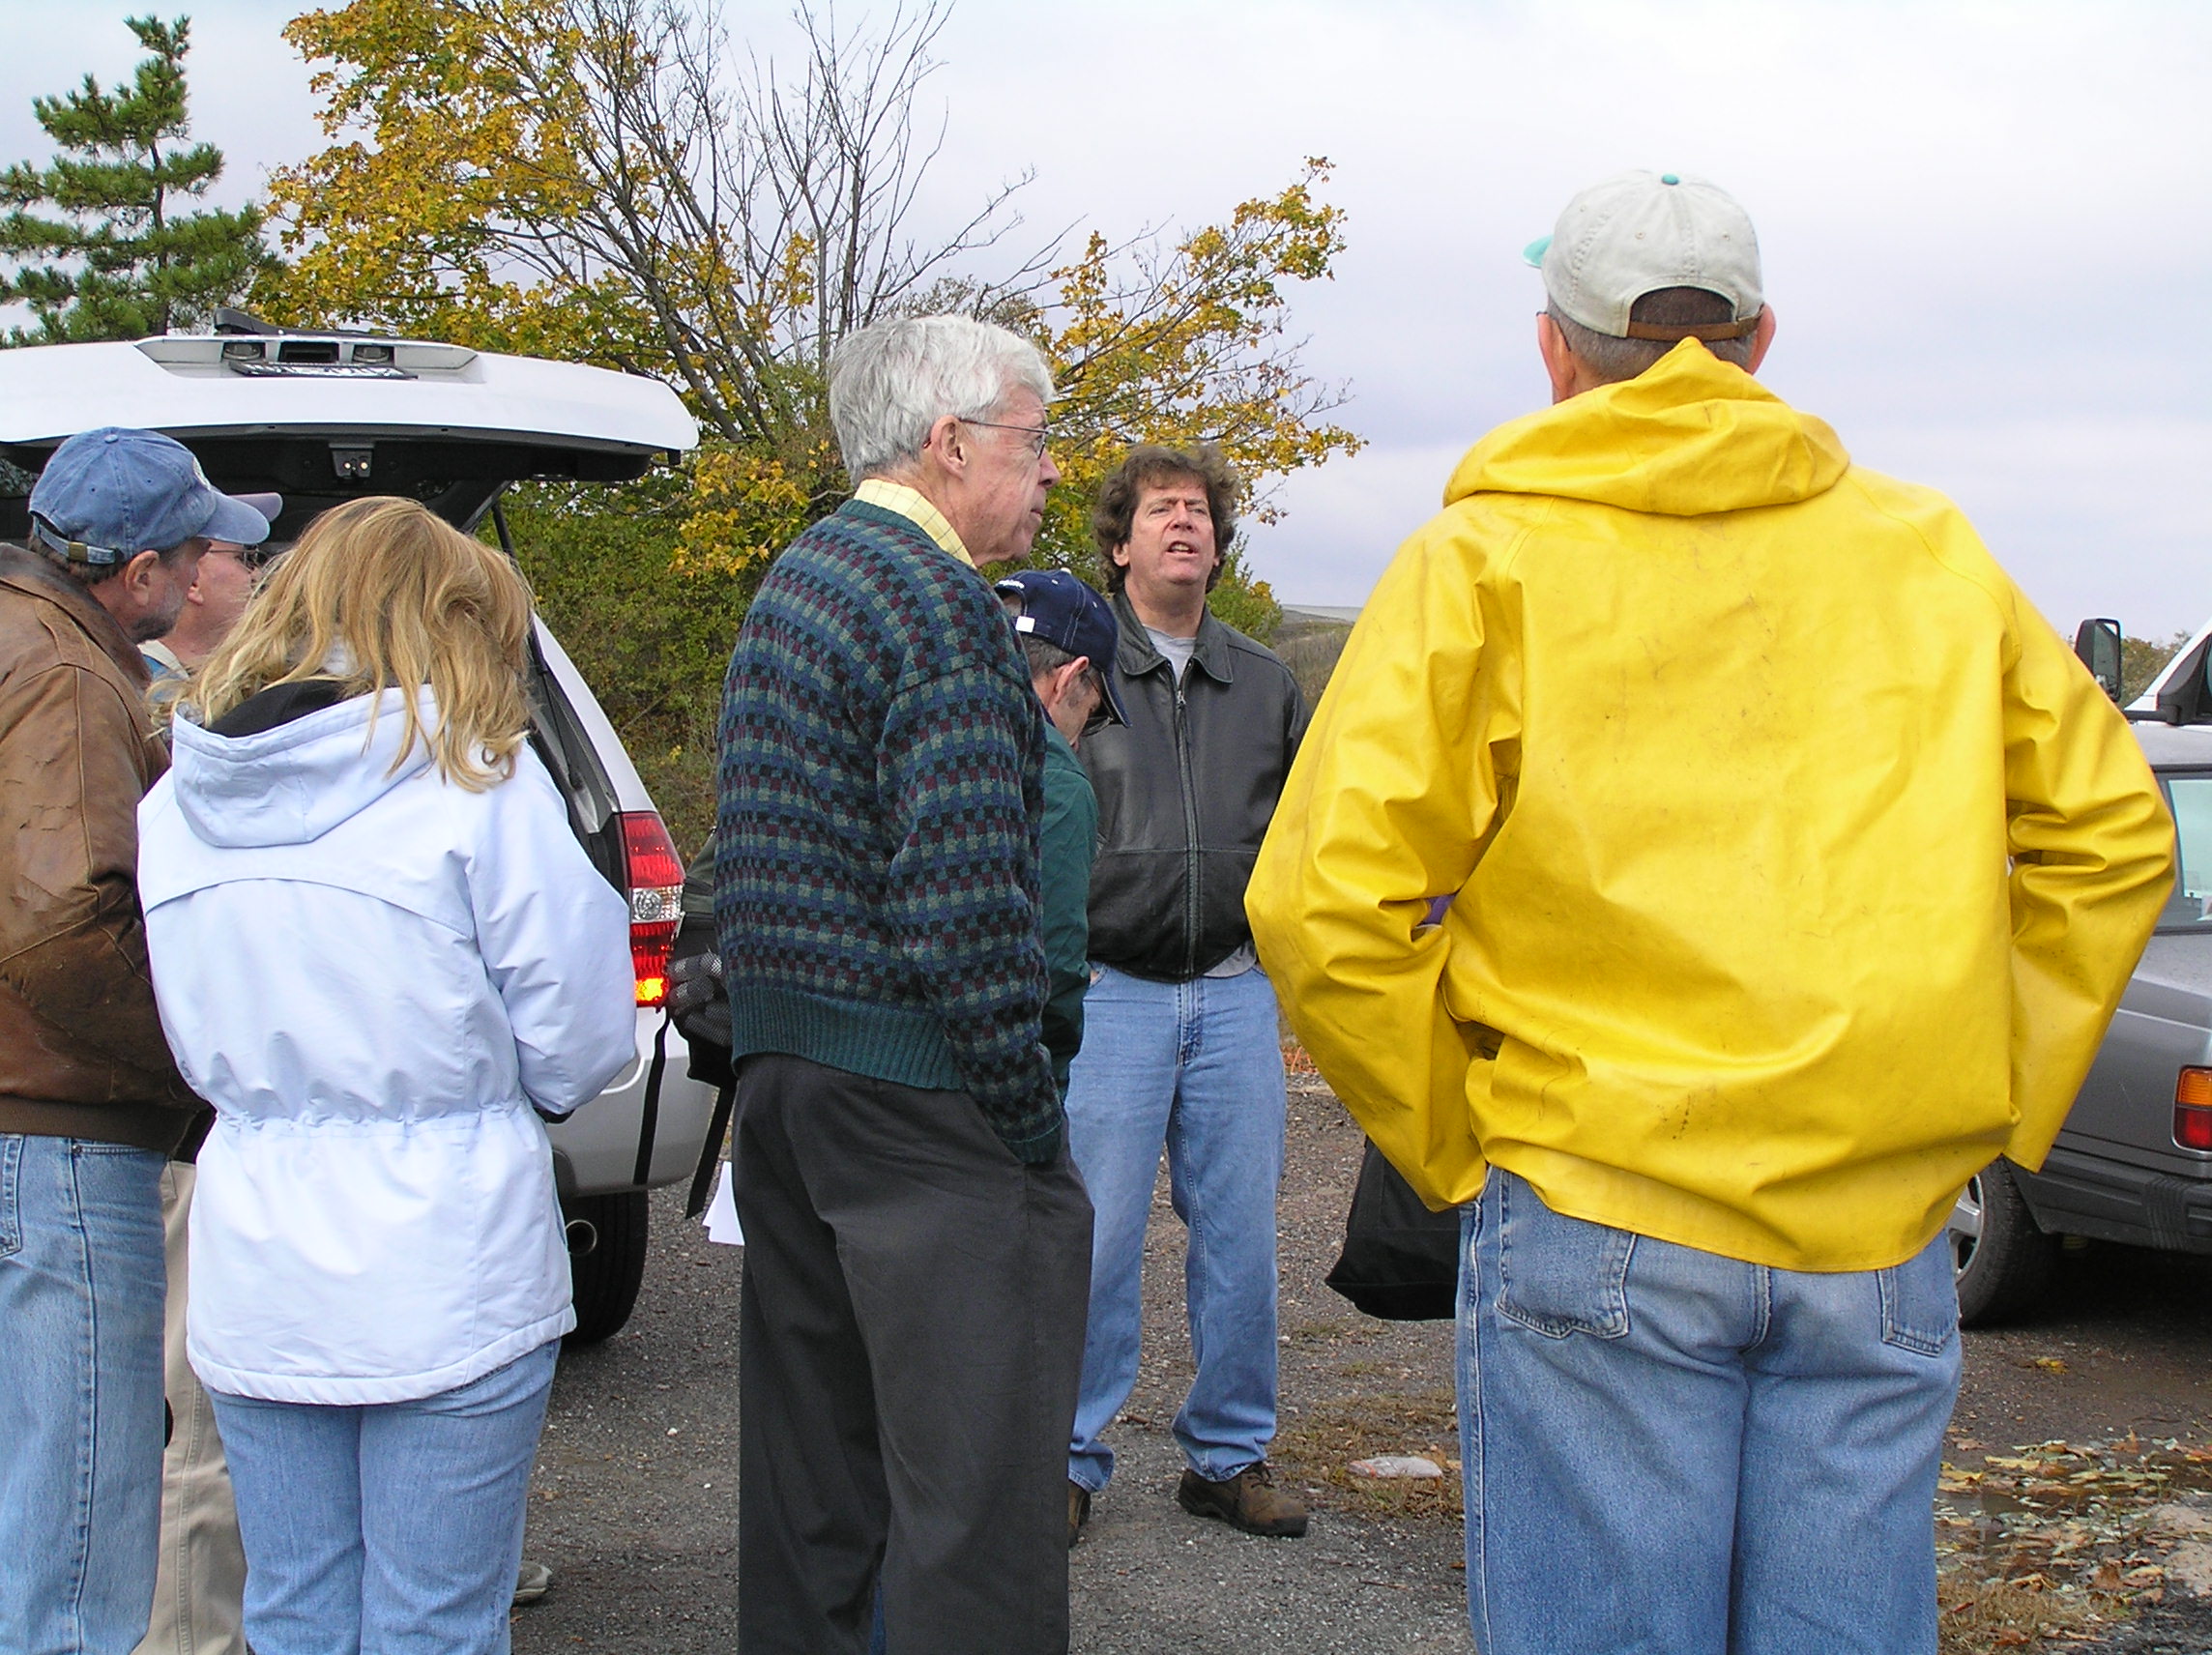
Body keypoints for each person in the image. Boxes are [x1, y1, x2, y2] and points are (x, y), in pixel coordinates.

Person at [1245, 169, 2175, 1654]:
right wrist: (1985, 1101)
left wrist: (1458, 1142)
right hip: (1876, 1227)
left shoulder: (1482, 562)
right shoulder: (1930, 552)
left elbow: (1322, 903)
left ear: (1555, 350)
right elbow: (2114, 838)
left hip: (1595, 1196)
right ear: (1761, 340)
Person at [134, 496, 636, 1655]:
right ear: (451, 620)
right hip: (450, 1258)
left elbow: (184, 1029)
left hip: (259, 1254)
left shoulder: (178, 803)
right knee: (437, 1619)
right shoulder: (475, 786)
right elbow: (582, 1035)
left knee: (294, 1610)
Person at [714, 313, 1093, 1654]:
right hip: (918, 1102)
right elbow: (963, 912)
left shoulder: (800, 575)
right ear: (949, 443)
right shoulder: (939, 607)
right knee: (974, 1505)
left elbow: (747, 855)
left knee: (811, 1484)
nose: (1051, 470)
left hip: (786, 1090)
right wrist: (1028, 1125)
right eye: (1032, 441)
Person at [0, 427, 268, 1655]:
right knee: (77, 1542)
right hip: (63, 1143)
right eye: (199, 545)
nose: (215, 566)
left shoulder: (27, 637)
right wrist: (202, 1063)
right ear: (144, 569)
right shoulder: (65, 671)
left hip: (34, 1139)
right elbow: (63, 928)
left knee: (36, 1510)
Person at [1063, 444, 1309, 1541]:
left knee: (1241, 1242)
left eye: (1199, 510)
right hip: (1109, 991)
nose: (1183, 522)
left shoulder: (1265, 683)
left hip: (1235, 994)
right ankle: (1068, 1456)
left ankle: (1227, 1454)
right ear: (1120, 545)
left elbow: (1308, 837)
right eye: (1160, 509)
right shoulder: (1075, 673)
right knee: (1097, 1240)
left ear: (1218, 542)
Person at [132, 495, 279, 1655]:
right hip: (176, 1120)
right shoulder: (145, 716)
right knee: (197, 1419)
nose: (256, 570)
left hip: (203, 1120)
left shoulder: (189, 704)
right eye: (238, 552)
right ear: (181, 575)